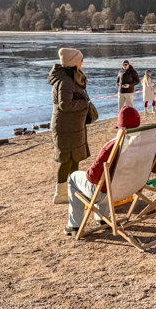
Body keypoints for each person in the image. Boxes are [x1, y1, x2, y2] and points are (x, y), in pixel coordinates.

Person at [63, 105, 141, 236]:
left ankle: (74, 225)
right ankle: (102, 218)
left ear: (119, 125)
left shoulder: (112, 146)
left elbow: (92, 177)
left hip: (108, 193)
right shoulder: (144, 144)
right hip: (131, 188)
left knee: (74, 177)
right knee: (107, 178)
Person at [49, 48, 90, 205]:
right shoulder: (65, 81)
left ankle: (73, 190)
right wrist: (84, 103)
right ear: (73, 62)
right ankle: (60, 194)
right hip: (65, 127)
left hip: (74, 125)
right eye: (80, 59)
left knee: (75, 158)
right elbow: (64, 105)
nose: (82, 62)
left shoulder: (71, 77)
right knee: (66, 160)